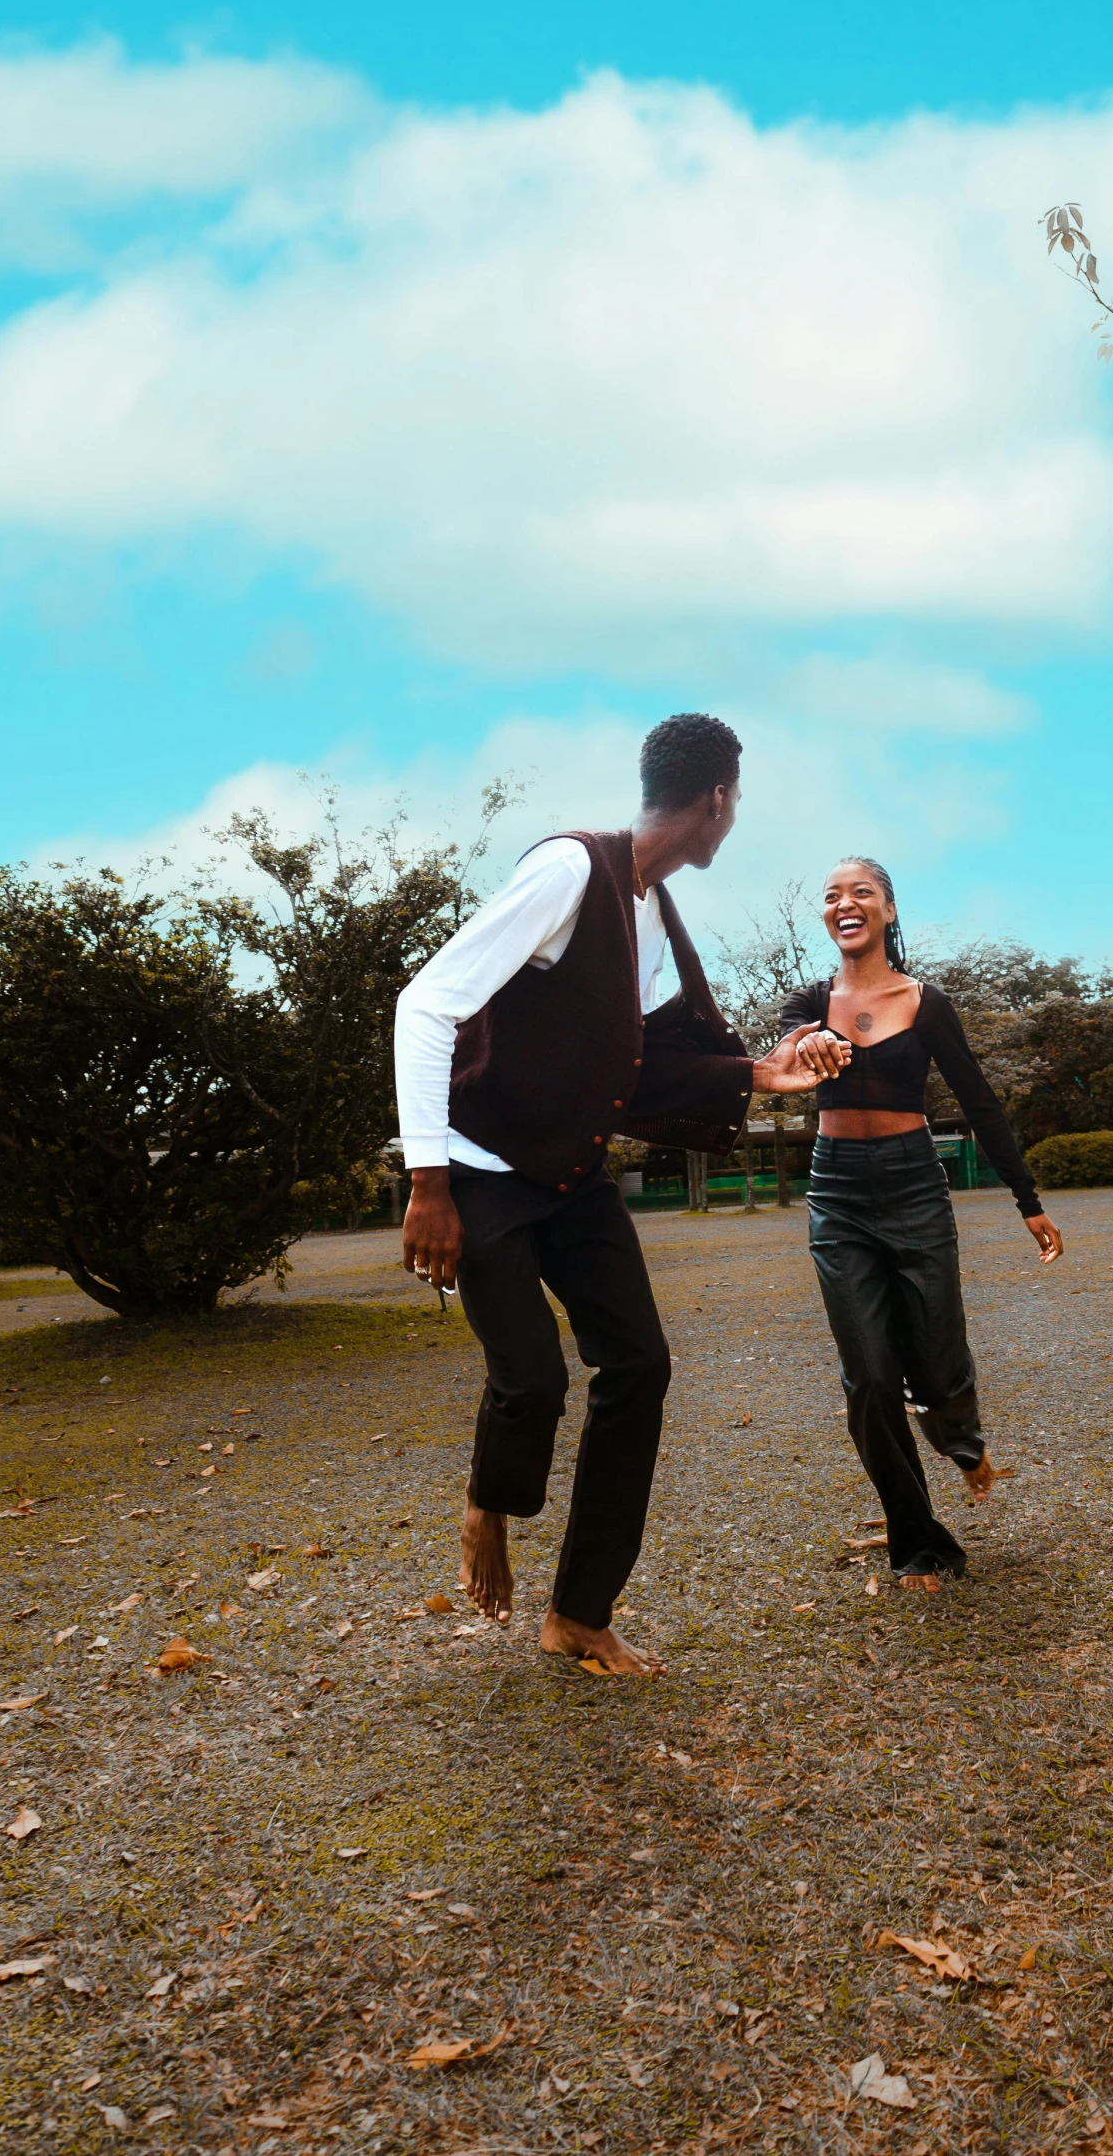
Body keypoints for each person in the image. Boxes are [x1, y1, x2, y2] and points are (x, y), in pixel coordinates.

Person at [393, 714, 840, 1676]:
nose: (733, 821)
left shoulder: (650, 911)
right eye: (737, 804)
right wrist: (427, 1179)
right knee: (533, 1382)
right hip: (477, 1167)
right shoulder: (569, 872)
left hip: (570, 1175)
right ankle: (490, 1503)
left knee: (638, 1366)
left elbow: (634, 1068)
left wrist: (760, 1074)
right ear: (717, 798)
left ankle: (579, 1614)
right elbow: (425, 1003)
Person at [781, 858, 1062, 1593]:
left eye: (860, 893)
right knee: (870, 1379)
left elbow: (980, 1103)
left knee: (936, 1359)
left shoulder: (926, 1003)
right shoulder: (808, 1003)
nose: (845, 903)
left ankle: (963, 1444)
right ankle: (915, 1539)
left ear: (888, 911)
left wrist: (1025, 1200)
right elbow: (783, 1056)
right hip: (836, 1193)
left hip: (912, 1186)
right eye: (832, 895)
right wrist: (804, 1048)